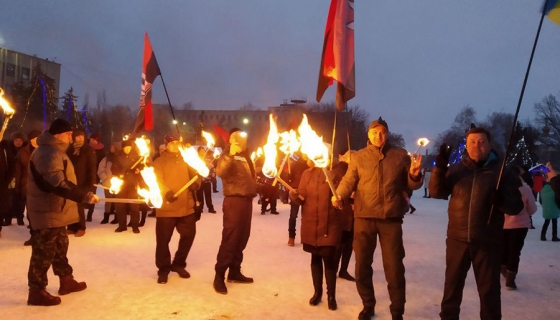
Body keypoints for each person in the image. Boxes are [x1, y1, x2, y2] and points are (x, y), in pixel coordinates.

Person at [332, 117, 423, 320]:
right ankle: (368, 304)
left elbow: (411, 183)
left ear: (387, 134)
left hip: (390, 219)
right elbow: (349, 180)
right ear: (368, 135)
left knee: (394, 267)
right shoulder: (359, 157)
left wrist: (415, 175)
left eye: (382, 132)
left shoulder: (400, 156)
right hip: (364, 218)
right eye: (374, 132)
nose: (378, 136)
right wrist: (339, 195)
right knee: (362, 265)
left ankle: (397, 311)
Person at [429, 127, 524, 320]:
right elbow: (436, 192)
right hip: (457, 239)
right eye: (472, 142)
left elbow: (516, 207)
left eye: (481, 142)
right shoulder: (456, 170)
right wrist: (439, 168)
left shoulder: (501, 172)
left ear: (489, 145)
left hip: (488, 242)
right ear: (466, 145)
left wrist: (501, 200)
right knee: (452, 290)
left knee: (489, 293)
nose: (476, 146)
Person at [26, 118, 99, 306]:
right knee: (43, 251)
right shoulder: (47, 153)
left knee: (60, 247)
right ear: (57, 135)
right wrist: (83, 195)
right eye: (67, 134)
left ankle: (66, 280)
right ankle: (36, 290)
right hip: (46, 210)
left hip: (56, 210)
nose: (71, 137)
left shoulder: (56, 151)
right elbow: (57, 183)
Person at [290, 157, 341, 311]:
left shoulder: (334, 173)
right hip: (311, 223)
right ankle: (317, 293)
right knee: (315, 257)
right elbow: (302, 197)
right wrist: (295, 195)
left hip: (329, 224)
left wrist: (340, 200)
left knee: (329, 259)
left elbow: (342, 195)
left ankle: (331, 295)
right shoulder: (307, 174)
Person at [213, 128, 257, 295]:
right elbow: (220, 172)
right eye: (234, 136)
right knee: (231, 238)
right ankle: (219, 275)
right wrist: (229, 154)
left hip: (247, 200)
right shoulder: (226, 154)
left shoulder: (246, 155)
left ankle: (234, 271)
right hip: (233, 201)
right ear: (229, 139)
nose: (238, 139)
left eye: (241, 136)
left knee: (242, 238)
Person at [153, 133, 201, 284]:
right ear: (166, 145)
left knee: (189, 235)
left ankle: (179, 263)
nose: (174, 145)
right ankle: (163, 269)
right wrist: (165, 192)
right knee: (163, 241)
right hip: (166, 208)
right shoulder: (159, 161)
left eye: (176, 143)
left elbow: (197, 175)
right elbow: (156, 180)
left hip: (186, 206)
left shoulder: (187, 159)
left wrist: (196, 183)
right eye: (171, 143)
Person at [502, 166, 537, 290]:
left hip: (503, 224)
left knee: (503, 248)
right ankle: (510, 278)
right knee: (515, 250)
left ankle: (503, 267)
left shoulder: (501, 187)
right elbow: (532, 208)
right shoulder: (526, 188)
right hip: (520, 225)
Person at [66, 129, 97, 237]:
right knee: (70, 205)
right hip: (70, 180)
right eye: (78, 136)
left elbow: (92, 168)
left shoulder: (88, 149)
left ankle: (81, 227)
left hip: (83, 181)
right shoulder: (69, 149)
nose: (80, 138)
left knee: (79, 205)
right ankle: (71, 226)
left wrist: (91, 184)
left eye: (82, 136)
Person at [331, 149, 355, 281]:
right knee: (339, 243)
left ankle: (343, 270)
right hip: (342, 212)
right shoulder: (338, 169)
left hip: (354, 213)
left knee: (349, 243)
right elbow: (332, 188)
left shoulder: (356, 169)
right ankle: (333, 269)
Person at [15, 130, 41, 245]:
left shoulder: (45, 151)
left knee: (41, 213)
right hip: (27, 186)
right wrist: (18, 187)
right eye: (32, 139)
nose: (34, 141)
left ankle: (42, 236)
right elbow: (19, 171)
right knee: (30, 213)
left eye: (37, 138)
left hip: (42, 187)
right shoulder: (23, 152)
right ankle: (34, 236)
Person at [111, 139, 142, 233]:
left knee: (134, 206)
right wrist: (120, 173)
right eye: (125, 148)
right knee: (120, 206)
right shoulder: (118, 157)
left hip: (132, 184)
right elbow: (113, 168)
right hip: (122, 185)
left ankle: (135, 226)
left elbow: (142, 165)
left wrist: (138, 170)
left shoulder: (136, 156)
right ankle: (122, 225)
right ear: (122, 148)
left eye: (129, 147)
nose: (127, 149)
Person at [3, 131, 26, 226]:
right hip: (11, 177)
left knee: (20, 199)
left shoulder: (25, 150)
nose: (18, 142)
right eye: (16, 140)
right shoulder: (8, 150)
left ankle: (20, 218)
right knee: (9, 199)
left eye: (20, 140)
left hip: (22, 177)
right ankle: (8, 218)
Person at [287, 152, 308, 246]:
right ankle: (291, 237)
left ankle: (305, 237)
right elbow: (289, 178)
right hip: (296, 194)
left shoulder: (311, 166)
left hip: (307, 195)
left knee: (307, 218)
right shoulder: (295, 165)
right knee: (293, 216)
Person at [86, 132, 106, 222]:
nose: (92, 141)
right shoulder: (85, 148)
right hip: (84, 174)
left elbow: (101, 163)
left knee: (92, 194)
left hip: (94, 175)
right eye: (91, 139)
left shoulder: (101, 151)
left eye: (94, 140)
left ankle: (90, 213)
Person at [98, 142, 118, 224]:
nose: (111, 148)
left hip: (118, 184)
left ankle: (117, 217)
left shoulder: (120, 158)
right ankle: (106, 217)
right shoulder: (106, 159)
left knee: (117, 201)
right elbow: (100, 170)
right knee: (108, 201)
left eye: (113, 147)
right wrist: (105, 177)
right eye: (111, 147)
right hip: (107, 183)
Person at [540, 166, 560, 242]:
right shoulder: (554, 189)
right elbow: (557, 199)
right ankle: (554, 236)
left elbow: (540, 200)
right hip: (554, 208)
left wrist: (544, 205)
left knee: (546, 222)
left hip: (547, 208)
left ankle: (543, 235)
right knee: (554, 223)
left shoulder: (543, 189)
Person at [196, 146, 216, 214]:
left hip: (207, 181)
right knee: (199, 196)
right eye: (200, 151)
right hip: (199, 181)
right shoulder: (195, 160)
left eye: (203, 151)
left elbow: (213, 169)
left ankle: (210, 208)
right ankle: (200, 208)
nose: (202, 152)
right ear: (198, 152)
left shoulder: (208, 160)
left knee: (208, 195)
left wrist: (212, 175)